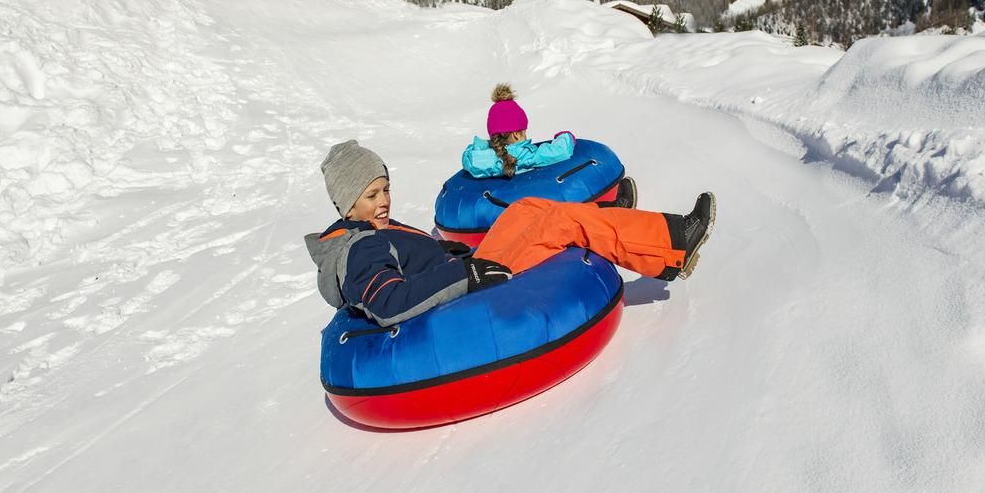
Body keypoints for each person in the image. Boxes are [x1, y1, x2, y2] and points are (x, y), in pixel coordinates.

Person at [306, 140, 716, 328]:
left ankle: (610, 218)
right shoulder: (359, 248)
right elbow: (389, 301)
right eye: (371, 194)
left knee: (527, 209)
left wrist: (446, 254)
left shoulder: (374, 231)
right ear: (346, 203)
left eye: (386, 190)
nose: (384, 202)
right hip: (469, 295)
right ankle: (674, 242)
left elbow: (412, 265)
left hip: (467, 274)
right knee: (555, 223)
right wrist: (464, 274)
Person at [462, 83, 576, 178]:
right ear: (516, 134)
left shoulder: (475, 156)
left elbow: (474, 152)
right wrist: (565, 136)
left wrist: (487, 143)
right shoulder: (524, 155)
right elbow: (561, 151)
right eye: (524, 132)